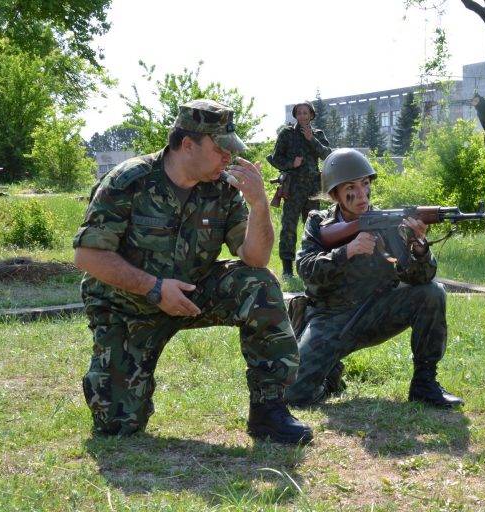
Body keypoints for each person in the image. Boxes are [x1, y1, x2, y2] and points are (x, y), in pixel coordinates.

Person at [73, 99, 312, 444]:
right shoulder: (129, 181)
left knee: (259, 284)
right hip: (127, 307)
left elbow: (255, 258)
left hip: (190, 294)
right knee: (117, 426)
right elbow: (88, 256)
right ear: (188, 145)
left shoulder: (223, 188)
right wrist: (154, 288)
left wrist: (259, 203)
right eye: (220, 149)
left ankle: (269, 412)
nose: (228, 158)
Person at [284, 148, 463, 409]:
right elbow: (306, 269)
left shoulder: (388, 222)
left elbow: (419, 277)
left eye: (365, 184)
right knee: (294, 395)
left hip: (375, 313)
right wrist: (346, 252)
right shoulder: (319, 223)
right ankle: (329, 374)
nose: (361, 195)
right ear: (335, 193)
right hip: (330, 319)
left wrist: (419, 247)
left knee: (432, 292)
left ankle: (425, 384)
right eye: (351, 188)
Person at [269, 100, 332, 277]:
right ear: (295, 115)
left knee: (313, 227)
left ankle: (313, 264)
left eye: (306, 113)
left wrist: (311, 139)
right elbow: (274, 159)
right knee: (288, 226)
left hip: (313, 188)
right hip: (293, 187)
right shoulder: (287, 134)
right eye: (299, 113)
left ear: (311, 115)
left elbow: (327, 155)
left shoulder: (318, 134)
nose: (302, 116)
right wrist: (291, 163)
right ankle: (287, 269)